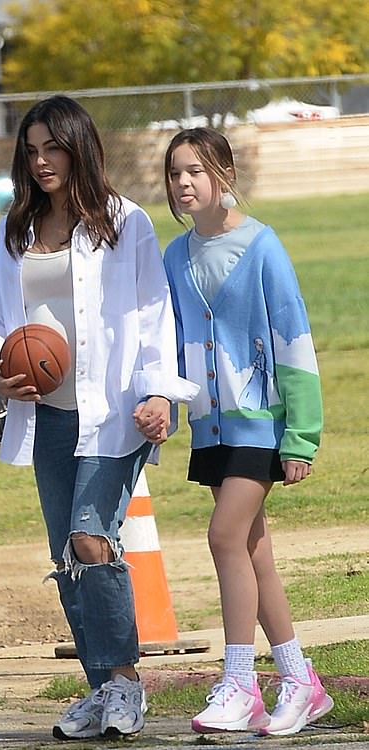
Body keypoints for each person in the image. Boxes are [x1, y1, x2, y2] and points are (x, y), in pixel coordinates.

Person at [0, 95, 198, 741]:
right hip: (47, 414)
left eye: (54, 147)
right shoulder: (16, 228)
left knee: (90, 538)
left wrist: (159, 393)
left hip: (116, 410)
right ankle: (102, 690)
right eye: (32, 150)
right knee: (68, 555)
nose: (42, 161)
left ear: (79, 147)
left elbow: (157, 316)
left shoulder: (125, 222)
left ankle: (126, 682)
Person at [157, 127, 334, 736]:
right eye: (176, 171)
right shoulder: (174, 257)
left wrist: (301, 436)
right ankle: (300, 681)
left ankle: (240, 684)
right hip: (212, 428)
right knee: (254, 552)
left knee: (224, 538)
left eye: (196, 171)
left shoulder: (263, 247)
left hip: (261, 422)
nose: (184, 182)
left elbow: (295, 338)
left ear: (224, 176)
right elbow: (170, 342)